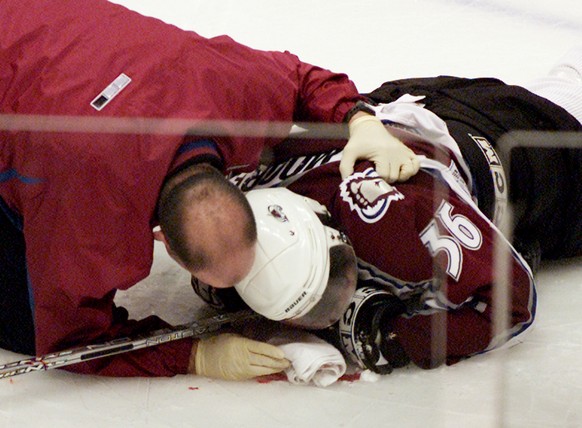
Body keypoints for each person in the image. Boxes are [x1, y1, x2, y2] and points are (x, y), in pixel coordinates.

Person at [0, 0, 420, 379]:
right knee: (23, 323)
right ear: (164, 245)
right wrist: (192, 355)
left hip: (41, 26)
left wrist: (360, 120)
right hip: (28, 63)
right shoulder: (85, 207)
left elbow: (300, 79)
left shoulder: (228, 88)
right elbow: (67, 342)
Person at [196, 46, 581, 372]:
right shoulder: (241, 205)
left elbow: (511, 302)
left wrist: (394, 336)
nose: (331, 312)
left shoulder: (391, 210)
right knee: (562, 83)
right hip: (415, 104)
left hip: (525, 151)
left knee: (564, 97)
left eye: (333, 280)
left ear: (326, 224)